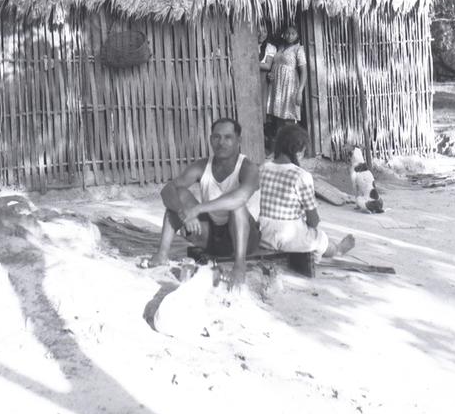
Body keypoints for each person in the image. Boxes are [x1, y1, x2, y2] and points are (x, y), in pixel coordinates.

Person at [148, 117, 260, 289]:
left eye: (228, 137)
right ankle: (161, 255)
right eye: (216, 137)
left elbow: (240, 198)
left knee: (237, 207)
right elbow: (167, 190)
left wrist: (197, 209)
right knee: (178, 195)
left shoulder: (248, 168)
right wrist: (182, 212)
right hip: (212, 238)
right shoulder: (202, 165)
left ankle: (239, 266)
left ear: (239, 140)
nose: (221, 142)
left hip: (244, 239)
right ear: (210, 139)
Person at [259, 124, 355, 263]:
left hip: (263, 236)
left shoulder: (263, 168)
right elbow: (313, 220)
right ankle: (337, 250)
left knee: (302, 229)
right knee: (320, 237)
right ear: (297, 151)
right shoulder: (301, 176)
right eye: (303, 152)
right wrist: (307, 228)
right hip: (288, 239)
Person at [266, 24, 307, 135]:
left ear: (297, 35)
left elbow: (304, 71)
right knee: (279, 116)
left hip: (290, 85)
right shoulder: (280, 47)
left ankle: (293, 143)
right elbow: (276, 64)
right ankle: (281, 145)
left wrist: (300, 92)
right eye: (288, 33)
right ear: (284, 34)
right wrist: (271, 73)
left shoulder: (299, 49)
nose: (290, 36)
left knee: (290, 116)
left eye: (293, 33)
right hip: (277, 85)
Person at [258, 22, 278, 151]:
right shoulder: (248, 44)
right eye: (258, 31)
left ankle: (264, 145)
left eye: (264, 31)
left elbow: (267, 66)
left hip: (262, 80)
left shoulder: (270, 47)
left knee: (263, 109)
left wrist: (248, 62)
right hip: (248, 80)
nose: (261, 34)